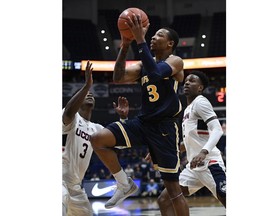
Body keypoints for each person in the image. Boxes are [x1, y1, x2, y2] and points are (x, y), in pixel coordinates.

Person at [90, 13, 189, 215]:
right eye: (151, 36)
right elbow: (118, 77)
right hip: (143, 123)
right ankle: (124, 184)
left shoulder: (176, 61)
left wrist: (141, 40)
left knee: (173, 191)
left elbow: (155, 73)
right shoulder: (144, 65)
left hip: (165, 128)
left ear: (170, 43)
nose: (153, 37)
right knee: (98, 139)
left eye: (158, 35)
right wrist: (126, 45)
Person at [62, 61, 130, 216]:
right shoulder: (71, 119)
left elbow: (121, 143)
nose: (90, 94)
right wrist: (86, 86)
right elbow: (68, 112)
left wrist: (123, 120)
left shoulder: (97, 129)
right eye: (86, 94)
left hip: (76, 186)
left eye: (91, 93)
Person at [157, 71, 227, 215]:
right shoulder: (188, 108)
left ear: (200, 88)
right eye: (186, 80)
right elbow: (189, 142)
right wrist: (159, 152)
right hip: (193, 167)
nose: (187, 82)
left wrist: (203, 152)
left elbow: (217, 129)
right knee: (165, 199)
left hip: (209, 162)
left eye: (192, 81)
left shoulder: (201, 102)